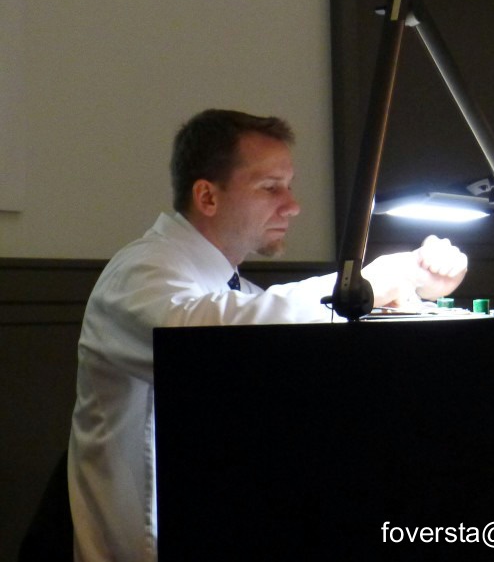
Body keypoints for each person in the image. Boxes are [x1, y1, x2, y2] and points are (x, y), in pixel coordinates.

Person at [67, 109, 468, 562]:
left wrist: (415, 288)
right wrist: (363, 286)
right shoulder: (139, 271)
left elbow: (270, 324)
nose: (292, 205)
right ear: (207, 196)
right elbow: (204, 339)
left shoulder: (230, 287)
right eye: (271, 187)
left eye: (289, 186)